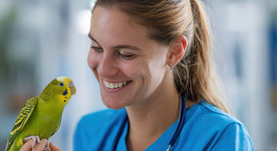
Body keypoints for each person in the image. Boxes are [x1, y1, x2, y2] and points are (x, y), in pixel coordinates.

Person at [22, 0, 254, 150]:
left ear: (175, 52)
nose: (103, 69)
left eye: (124, 54)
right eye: (96, 47)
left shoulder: (221, 138)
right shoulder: (90, 132)